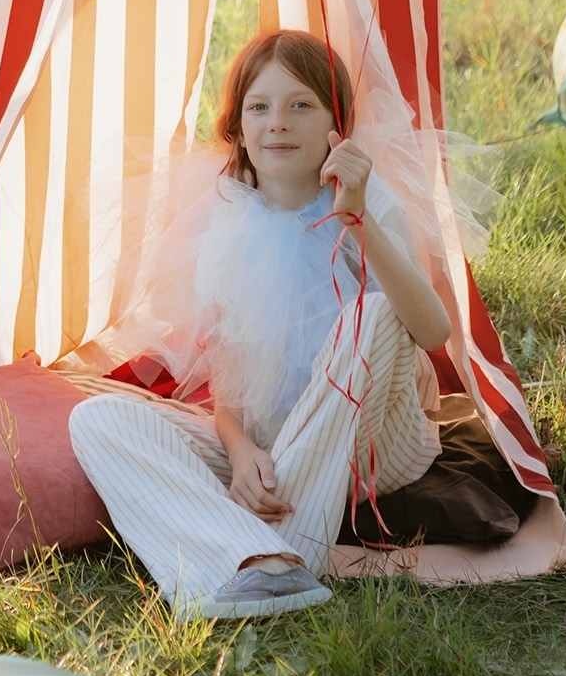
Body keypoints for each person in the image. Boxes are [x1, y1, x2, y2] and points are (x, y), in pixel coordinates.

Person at [66, 30, 455, 619]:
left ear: (337, 125)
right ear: (239, 129)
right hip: (275, 450)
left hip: (373, 444)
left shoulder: (368, 204)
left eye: (301, 105)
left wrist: (357, 220)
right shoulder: (227, 223)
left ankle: (267, 550)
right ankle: (268, 562)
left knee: (372, 312)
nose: (278, 123)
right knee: (98, 418)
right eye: (259, 107)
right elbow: (231, 384)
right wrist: (242, 450)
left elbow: (431, 331)